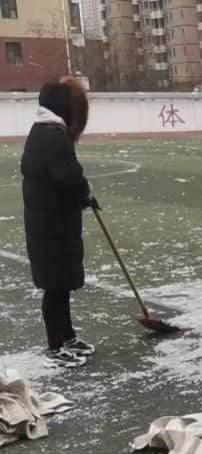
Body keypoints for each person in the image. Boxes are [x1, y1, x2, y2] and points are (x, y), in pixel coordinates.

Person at [22, 77, 96, 368]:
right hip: (50, 227)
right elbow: (67, 175)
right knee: (55, 287)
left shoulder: (46, 131)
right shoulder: (52, 136)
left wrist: (81, 195)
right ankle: (55, 344)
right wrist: (84, 193)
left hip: (52, 225)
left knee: (60, 285)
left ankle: (67, 336)